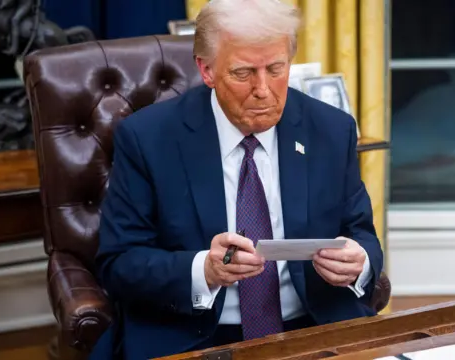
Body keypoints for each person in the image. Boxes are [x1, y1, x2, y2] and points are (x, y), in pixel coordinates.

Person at [90, 0, 383, 359]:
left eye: (276, 68)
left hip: (314, 328)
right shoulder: (148, 139)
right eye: (244, 73)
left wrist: (360, 261)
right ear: (207, 70)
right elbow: (119, 264)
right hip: (193, 336)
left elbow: (362, 234)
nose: (264, 89)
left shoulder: (330, 130)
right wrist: (204, 270)